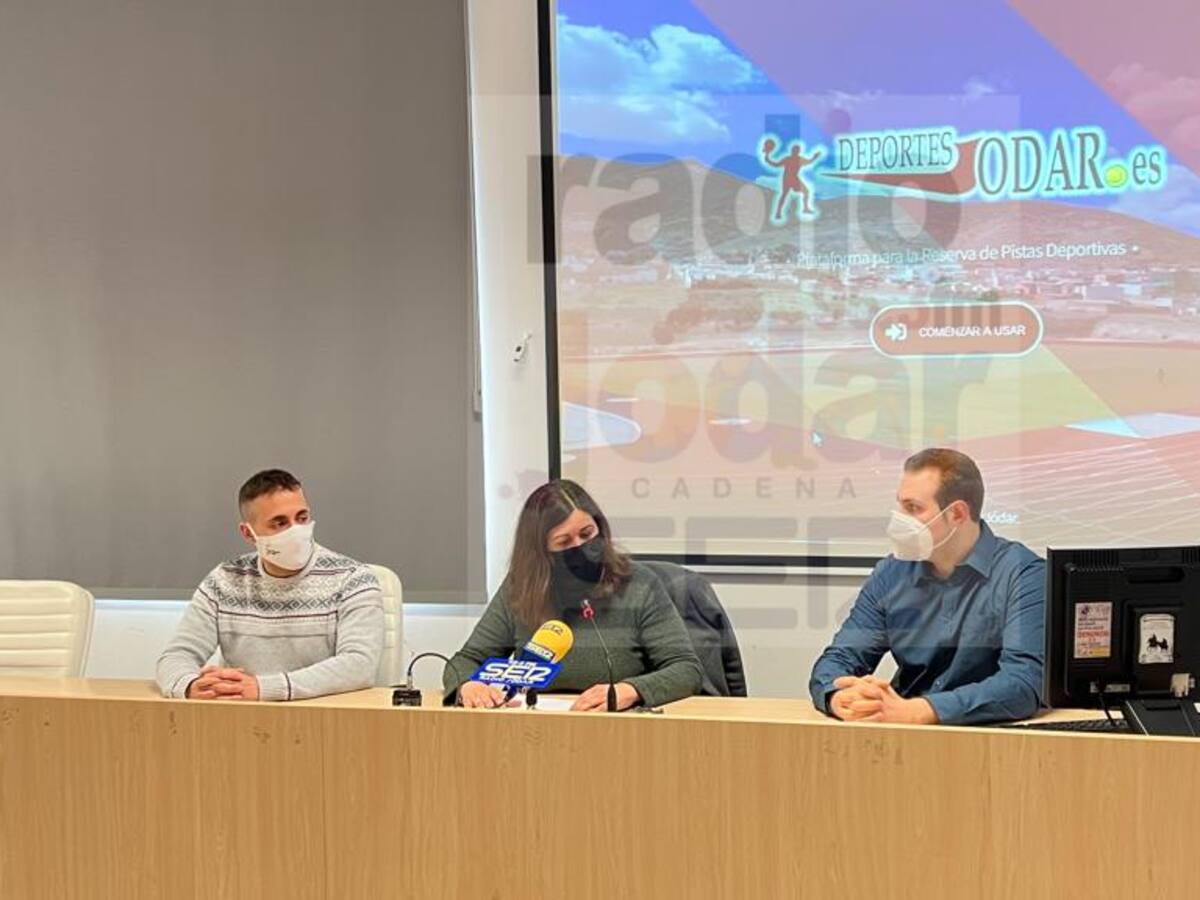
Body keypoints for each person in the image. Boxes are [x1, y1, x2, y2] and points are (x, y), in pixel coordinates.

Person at [809, 448, 1044, 725]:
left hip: (989, 738)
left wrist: (921, 711)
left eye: (912, 508)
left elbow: (1023, 684)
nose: (898, 519)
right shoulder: (892, 573)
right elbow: (840, 658)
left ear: (957, 513)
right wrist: (840, 696)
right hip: (904, 735)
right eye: (900, 506)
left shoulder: (1023, 574)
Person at [445, 479, 703, 711]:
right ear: (541, 553)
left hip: (620, 728)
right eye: (564, 542)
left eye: (587, 534)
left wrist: (631, 691)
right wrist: (469, 685)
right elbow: (465, 661)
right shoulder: (521, 589)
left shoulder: (638, 584)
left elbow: (686, 669)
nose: (580, 547)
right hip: (539, 730)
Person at [156, 469, 383, 701]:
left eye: (302, 518)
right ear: (248, 533)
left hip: (322, 717)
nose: (296, 530)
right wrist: (193, 686)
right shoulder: (224, 580)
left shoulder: (353, 579)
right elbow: (177, 655)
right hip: (244, 714)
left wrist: (265, 688)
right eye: (280, 523)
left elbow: (360, 664)